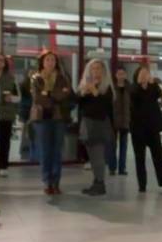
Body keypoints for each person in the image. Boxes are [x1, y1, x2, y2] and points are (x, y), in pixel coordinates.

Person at [29, 50, 73, 197]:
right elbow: (37, 98)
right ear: (42, 62)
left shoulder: (63, 77)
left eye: (53, 60)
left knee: (57, 151)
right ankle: (47, 181)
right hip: (41, 118)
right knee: (45, 150)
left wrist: (48, 94)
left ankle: (56, 182)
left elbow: (65, 94)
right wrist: (54, 97)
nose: (50, 62)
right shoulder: (35, 78)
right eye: (47, 60)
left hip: (58, 118)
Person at [129, 62, 162, 193]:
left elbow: (160, 94)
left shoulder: (153, 88)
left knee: (159, 155)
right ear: (137, 75)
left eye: (146, 73)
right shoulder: (133, 88)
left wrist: (152, 84)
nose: (144, 76)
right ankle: (142, 185)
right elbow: (134, 98)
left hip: (152, 128)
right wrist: (140, 85)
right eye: (142, 74)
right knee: (140, 157)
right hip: (137, 128)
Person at [78, 57, 114, 197]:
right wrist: (83, 92)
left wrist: (95, 91)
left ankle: (100, 183)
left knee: (98, 156)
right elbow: (78, 102)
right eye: (93, 68)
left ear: (103, 71)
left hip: (100, 125)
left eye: (98, 68)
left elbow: (104, 107)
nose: (96, 71)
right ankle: (96, 181)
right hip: (87, 124)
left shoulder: (107, 88)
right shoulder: (85, 85)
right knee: (92, 157)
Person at [0, 52, 20, 173]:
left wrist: (11, 98)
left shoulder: (11, 78)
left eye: (1, 60)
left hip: (6, 114)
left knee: (4, 141)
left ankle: (3, 166)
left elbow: (18, 97)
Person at [109, 64, 131, 175]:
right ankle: (112, 167)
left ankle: (122, 168)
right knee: (112, 145)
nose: (121, 76)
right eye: (119, 74)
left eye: (123, 74)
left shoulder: (129, 88)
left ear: (126, 75)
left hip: (125, 121)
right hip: (113, 120)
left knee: (124, 146)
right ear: (116, 75)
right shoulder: (111, 88)